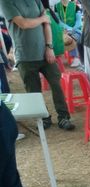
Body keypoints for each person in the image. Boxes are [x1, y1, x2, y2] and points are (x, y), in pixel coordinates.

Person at [0, 0, 75, 130]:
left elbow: (47, 24)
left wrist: (49, 46)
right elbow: (23, 23)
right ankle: (43, 117)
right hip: (24, 55)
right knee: (33, 91)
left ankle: (63, 117)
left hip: (45, 52)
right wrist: (42, 18)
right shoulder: (6, 2)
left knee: (56, 84)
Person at [54, 0, 83, 68]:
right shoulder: (56, 6)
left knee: (73, 38)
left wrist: (72, 29)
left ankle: (76, 58)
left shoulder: (75, 6)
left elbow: (79, 23)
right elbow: (58, 21)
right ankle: (57, 58)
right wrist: (67, 28)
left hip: (75, 30)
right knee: (56, 38)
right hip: (62, 31)